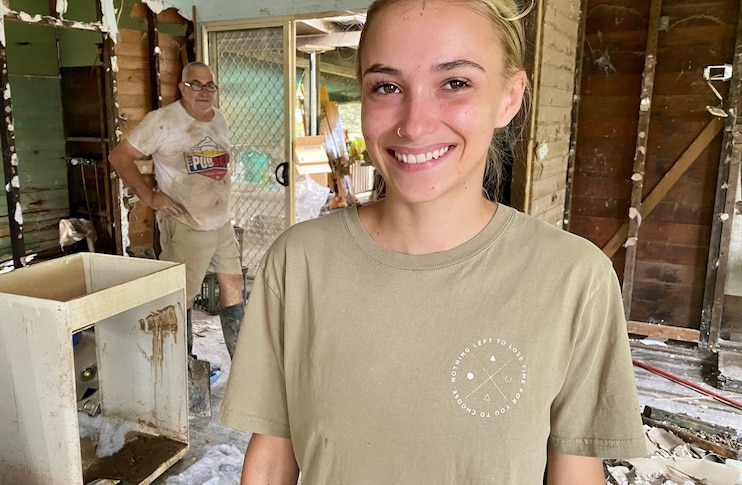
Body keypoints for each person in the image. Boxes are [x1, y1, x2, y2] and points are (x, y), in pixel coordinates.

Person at [219, 0, 647, 483]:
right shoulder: (298, 263)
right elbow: (273, 458)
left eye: (455, 83)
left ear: (509, 96)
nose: (415, 123)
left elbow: (574, 470)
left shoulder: (574, 278)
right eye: (386, 86)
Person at [108, 61, 245, 360]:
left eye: (210, 85)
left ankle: (243, 361)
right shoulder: (163, 121)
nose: (203, 91)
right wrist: (150, 196)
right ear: (182, 88)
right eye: (195, 84)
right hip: (186, 224)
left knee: (233, 283)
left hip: (221, 223)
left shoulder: (219, 119)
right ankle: (181, 365)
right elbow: (119, 156)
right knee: (182, 296)